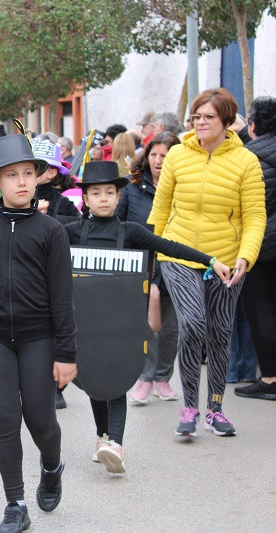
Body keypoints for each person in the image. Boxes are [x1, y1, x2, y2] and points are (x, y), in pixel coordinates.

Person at [66, 161, 229, 473]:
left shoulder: (132, 233)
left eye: (110, 192)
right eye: (96, 192)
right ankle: (102, 437)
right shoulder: (71, 233)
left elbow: (170, 247)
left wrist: (210, 260)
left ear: (117, 196)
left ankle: (115, 443)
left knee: (117, 379)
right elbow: (37, 247)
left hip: (124, 326)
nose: (103, 198)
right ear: (85, 198)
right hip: (84, 326)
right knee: (94, 380)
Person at [0, 134, 76, 533]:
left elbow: (63, 297)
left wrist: (67, 353)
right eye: (11, 175)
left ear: (38, 178)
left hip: (39, 338)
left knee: (41, 421)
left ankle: (52, 466)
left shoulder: (52, 231)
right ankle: (15, 504)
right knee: (4, 419)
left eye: (27, 173)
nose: (21, 181)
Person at [147, 87, 266, 437]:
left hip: (227, 260)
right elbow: (161, 207)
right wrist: (152, 253)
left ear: (227, 121)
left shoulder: (246, 161)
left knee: (220, 332)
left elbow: (255, 216)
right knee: (194, 324)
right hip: (178, 254)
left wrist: (246, 256)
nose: (199, 122)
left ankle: (215, 408)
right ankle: (189, 407)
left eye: (208, 117)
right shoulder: (177, 155)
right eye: (196, 116)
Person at [117, 132, 182, 406]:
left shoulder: (183, 189)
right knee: (146, 326)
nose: (158, 161)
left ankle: (163, 378)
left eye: (165, 156)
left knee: (169, 328)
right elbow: (119, 224)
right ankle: (145, 377)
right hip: (142, 267)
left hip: (174, 266)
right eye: (154, 154)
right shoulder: (133, 189)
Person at [235, 95, 276, 401]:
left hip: (260, 244)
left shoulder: (248, 158)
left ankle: (270, 379)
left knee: (260, 311)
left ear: (253, 124)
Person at [31, 139, 80, 219]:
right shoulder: (18, 199)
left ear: (52, 173)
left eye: (38, 166)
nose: (31, 170)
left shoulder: (64, 204)